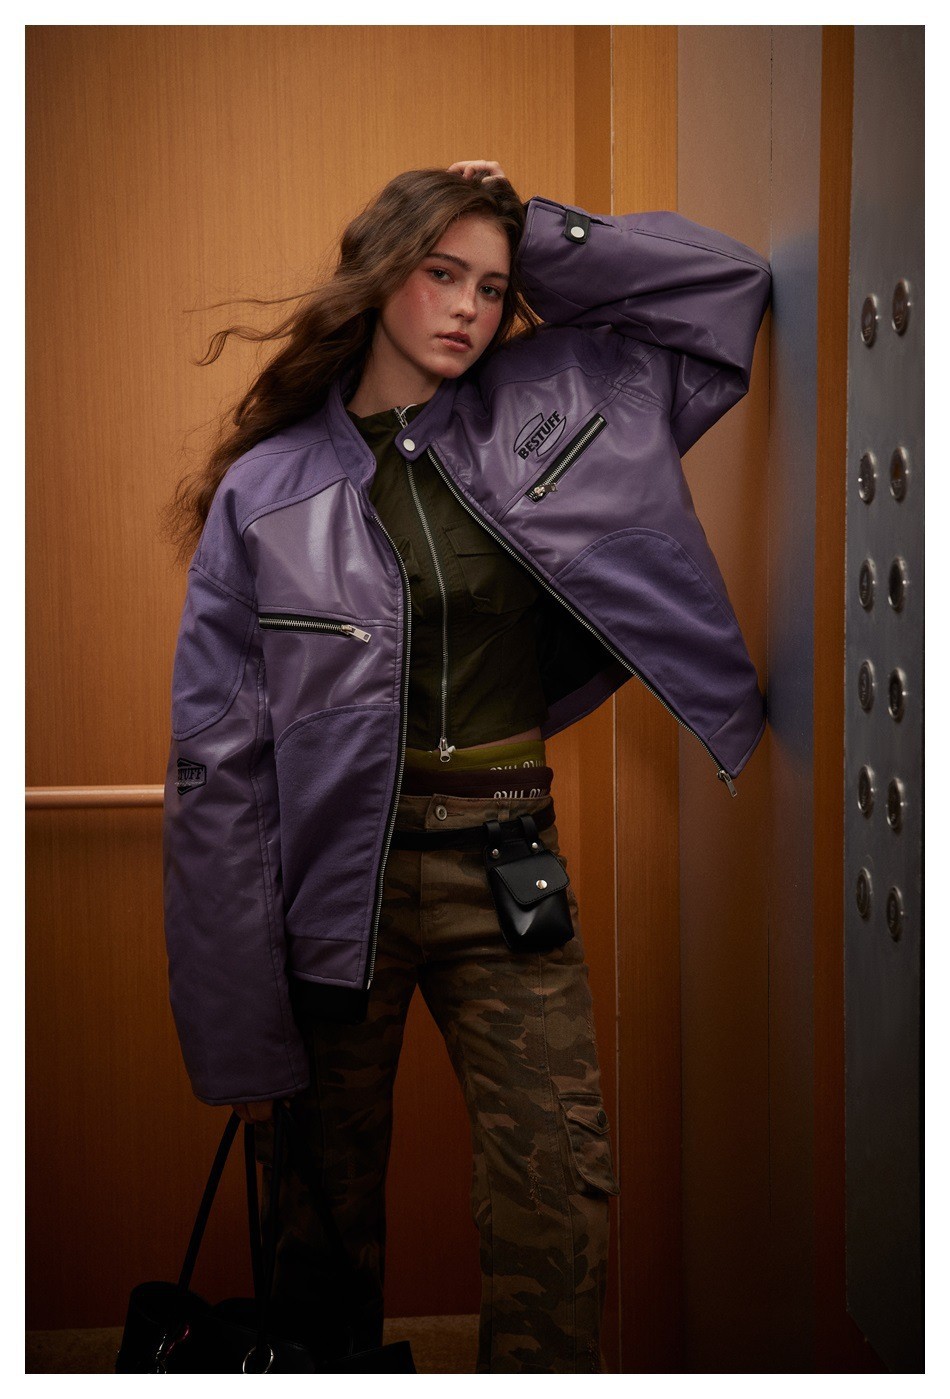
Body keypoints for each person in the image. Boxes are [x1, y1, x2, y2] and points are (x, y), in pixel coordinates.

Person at [163, 159, 772, 1373]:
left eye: (492, 288)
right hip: (336, 892)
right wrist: (236, 1020)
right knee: (317, 1219)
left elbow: (722, 293)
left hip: (505, 863)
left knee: (560, 1186)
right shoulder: (267, 491)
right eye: (440, 273)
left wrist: (540, 231)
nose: (466, 309)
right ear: (377, 271)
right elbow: (216, 769)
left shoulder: (556, 398)